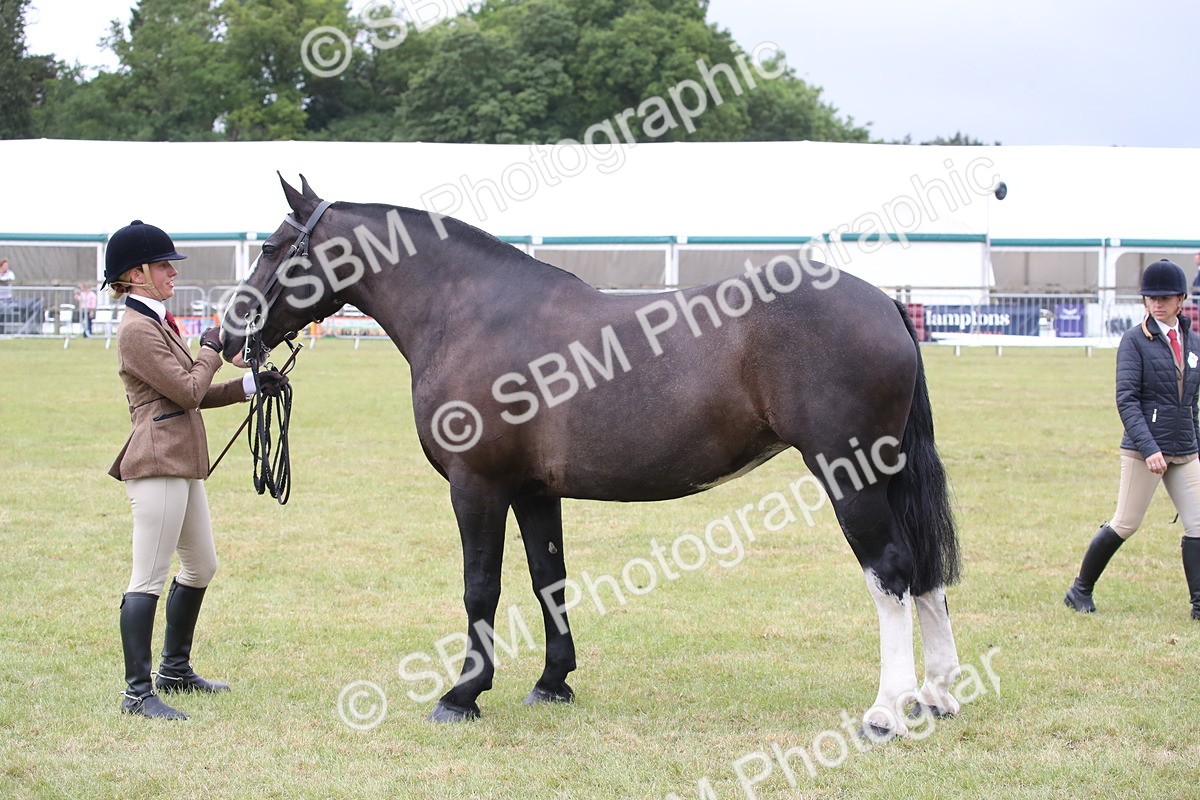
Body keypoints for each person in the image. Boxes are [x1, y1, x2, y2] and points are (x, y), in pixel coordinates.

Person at [104, 220, 288, 719]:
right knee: (148, 576)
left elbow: (192, 389)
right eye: (163, 265)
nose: (171, 272)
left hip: (182, 459)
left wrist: (251, 385)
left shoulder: (158, 322)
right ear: (136, 274)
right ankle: (137, 693)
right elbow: (187, 390)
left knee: (202, 565)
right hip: (158, 459)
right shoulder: (137, 330)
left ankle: (175, 670)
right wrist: (210, 348)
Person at [1065, 259, 1200, 619]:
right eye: (1151, 297)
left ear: (1181, 299)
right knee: (1126, 522)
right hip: (1145, 450)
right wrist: (1150, 448)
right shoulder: (1134, 341)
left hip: (1185, 449)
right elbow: (1126, 399)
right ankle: (1079, 589)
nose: (1157, 303)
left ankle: (1199, 604)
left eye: (1165, 297)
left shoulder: (1194, 342)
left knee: (1198, 522)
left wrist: (1196, 442)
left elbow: (1192, 401)